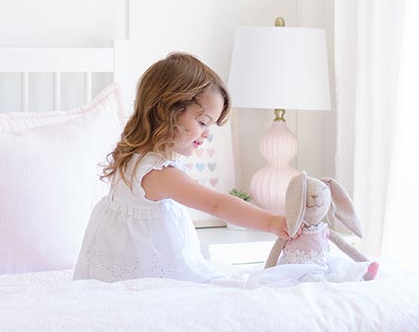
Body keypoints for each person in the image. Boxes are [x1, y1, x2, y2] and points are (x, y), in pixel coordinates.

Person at [73, 52, 292, 284]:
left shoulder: (131, 158)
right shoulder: (159, 175)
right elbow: (217, 204)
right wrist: (272, 222)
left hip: (114, 277)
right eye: (203, 122)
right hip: (148, 280)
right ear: (170, 111)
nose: (207, 133)